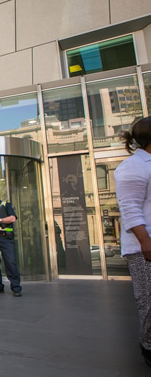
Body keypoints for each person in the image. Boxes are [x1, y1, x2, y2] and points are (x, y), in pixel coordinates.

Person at [114, 116, 151, 368]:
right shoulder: (134, 166)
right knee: (148, 301)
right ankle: (148, 347)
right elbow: (130, 208)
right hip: (144, 248)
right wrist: (145, 243)